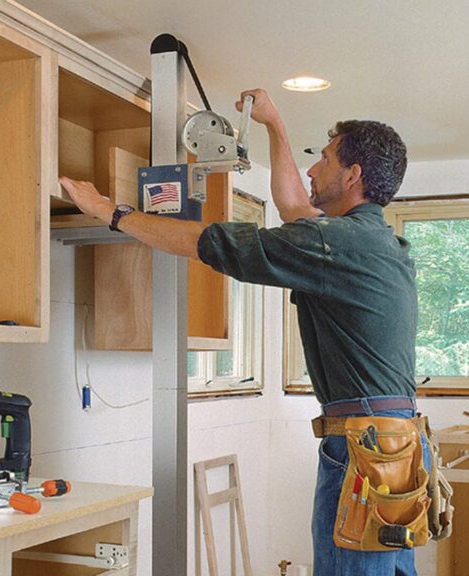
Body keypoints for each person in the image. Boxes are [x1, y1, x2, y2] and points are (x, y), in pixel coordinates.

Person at [60, 88, 423, 576]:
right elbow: (295, 204)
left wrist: (111, 212)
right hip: (397, 445)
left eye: (326, 159)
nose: (313, 169)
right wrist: (275, 125)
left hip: (363, 449)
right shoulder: (377, 242)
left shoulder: (334, 243)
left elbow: (204, 241)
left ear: (353, 175)